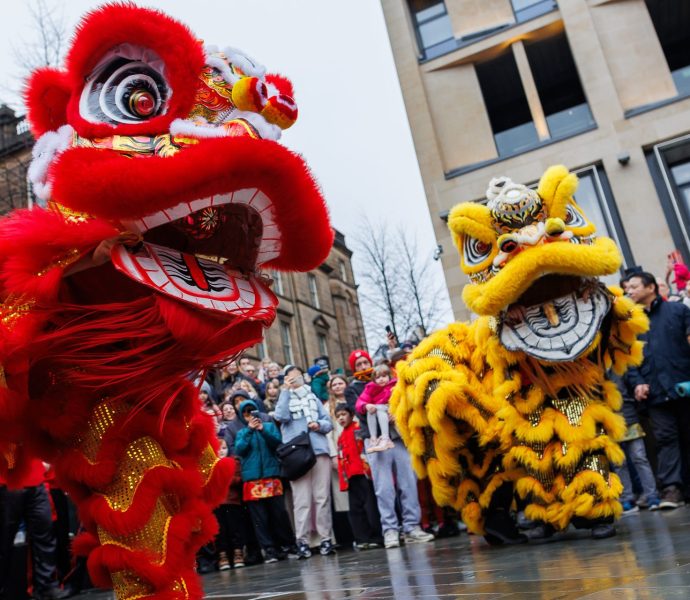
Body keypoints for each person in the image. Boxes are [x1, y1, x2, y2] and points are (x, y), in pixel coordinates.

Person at [625, 271, 690, 508]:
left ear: (650, 287)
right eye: (627, 288)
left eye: (634, 286)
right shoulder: (631, 324)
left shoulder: (679, 311)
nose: (629, 291)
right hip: (654, 392)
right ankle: (672, 489)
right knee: (665, 439)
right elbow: (628, 361)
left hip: (684, 386)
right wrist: (637, 382)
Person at [274, 365, 335, 558]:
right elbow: (281, 416)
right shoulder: (284, 397)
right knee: (301, 500)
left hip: (318, 449)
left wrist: (318, 425)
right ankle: (302, 540)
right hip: (296, 453)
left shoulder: (312, 397)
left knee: (322, 497)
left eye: (297, 376)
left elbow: (328, 423)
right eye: (289, 377)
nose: (294, 380)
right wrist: (285, 390)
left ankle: (326, 539)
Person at [234, 399, 298, 563]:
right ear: (243, 416)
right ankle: (269, 550)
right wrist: (249, 430)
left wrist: (262, 430)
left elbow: (277, 443)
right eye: (246, 413)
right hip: (253, 481)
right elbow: (239, 449)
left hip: (271, 477)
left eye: (252, 411)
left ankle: (288, 546)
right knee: (259, 519)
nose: (250, 415)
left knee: (279, 514)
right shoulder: (242, 432)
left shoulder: (268, 426)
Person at [0, 460, 70, 600]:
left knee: (45, 533)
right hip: (5, 479)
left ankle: (46, 586)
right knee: (3, 541)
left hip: (35, 478)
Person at [610, 373, 660, 512]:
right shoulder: (594, 369)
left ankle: (651, 496)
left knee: (639, 458)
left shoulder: (621, 363)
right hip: (609, 420)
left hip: (628, 415)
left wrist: (639, 384)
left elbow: (634, 377)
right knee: (618, 462)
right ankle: (627, 499)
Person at [335, 404, 382, 549]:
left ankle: (376, 537)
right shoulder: (341, 437)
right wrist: (344, 481)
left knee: (370, 506)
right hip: (351, 477)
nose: (341, 418)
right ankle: (362, 538)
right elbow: (341, 459)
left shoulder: (359, 429)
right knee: (356, 509)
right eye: (338, 416)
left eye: (343, 414)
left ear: (351, 414)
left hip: (364, 474)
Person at [214, 439, 246, 570]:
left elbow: (238, 479)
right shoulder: (210, 465)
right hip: (217, 503)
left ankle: (238, 554)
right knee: (220, 531)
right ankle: (223, 556)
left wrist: (224, 477)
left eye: (224, 448)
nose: (221, 451)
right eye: (218, 449)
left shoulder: (234, 462)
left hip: (232, 501)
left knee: (235, 529)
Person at [355, 364, 396, 453]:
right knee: (371, 410)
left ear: (389, 376)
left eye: (384, 376)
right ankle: (374, 438)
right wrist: (366, 405)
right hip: (381, 414)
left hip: (393, 413)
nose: (381, 379)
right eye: (378, 378)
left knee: (379, 407)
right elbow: (360, 401)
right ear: (374, 380)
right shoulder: (371, 388)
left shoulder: (394, 386)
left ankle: (386, 438)